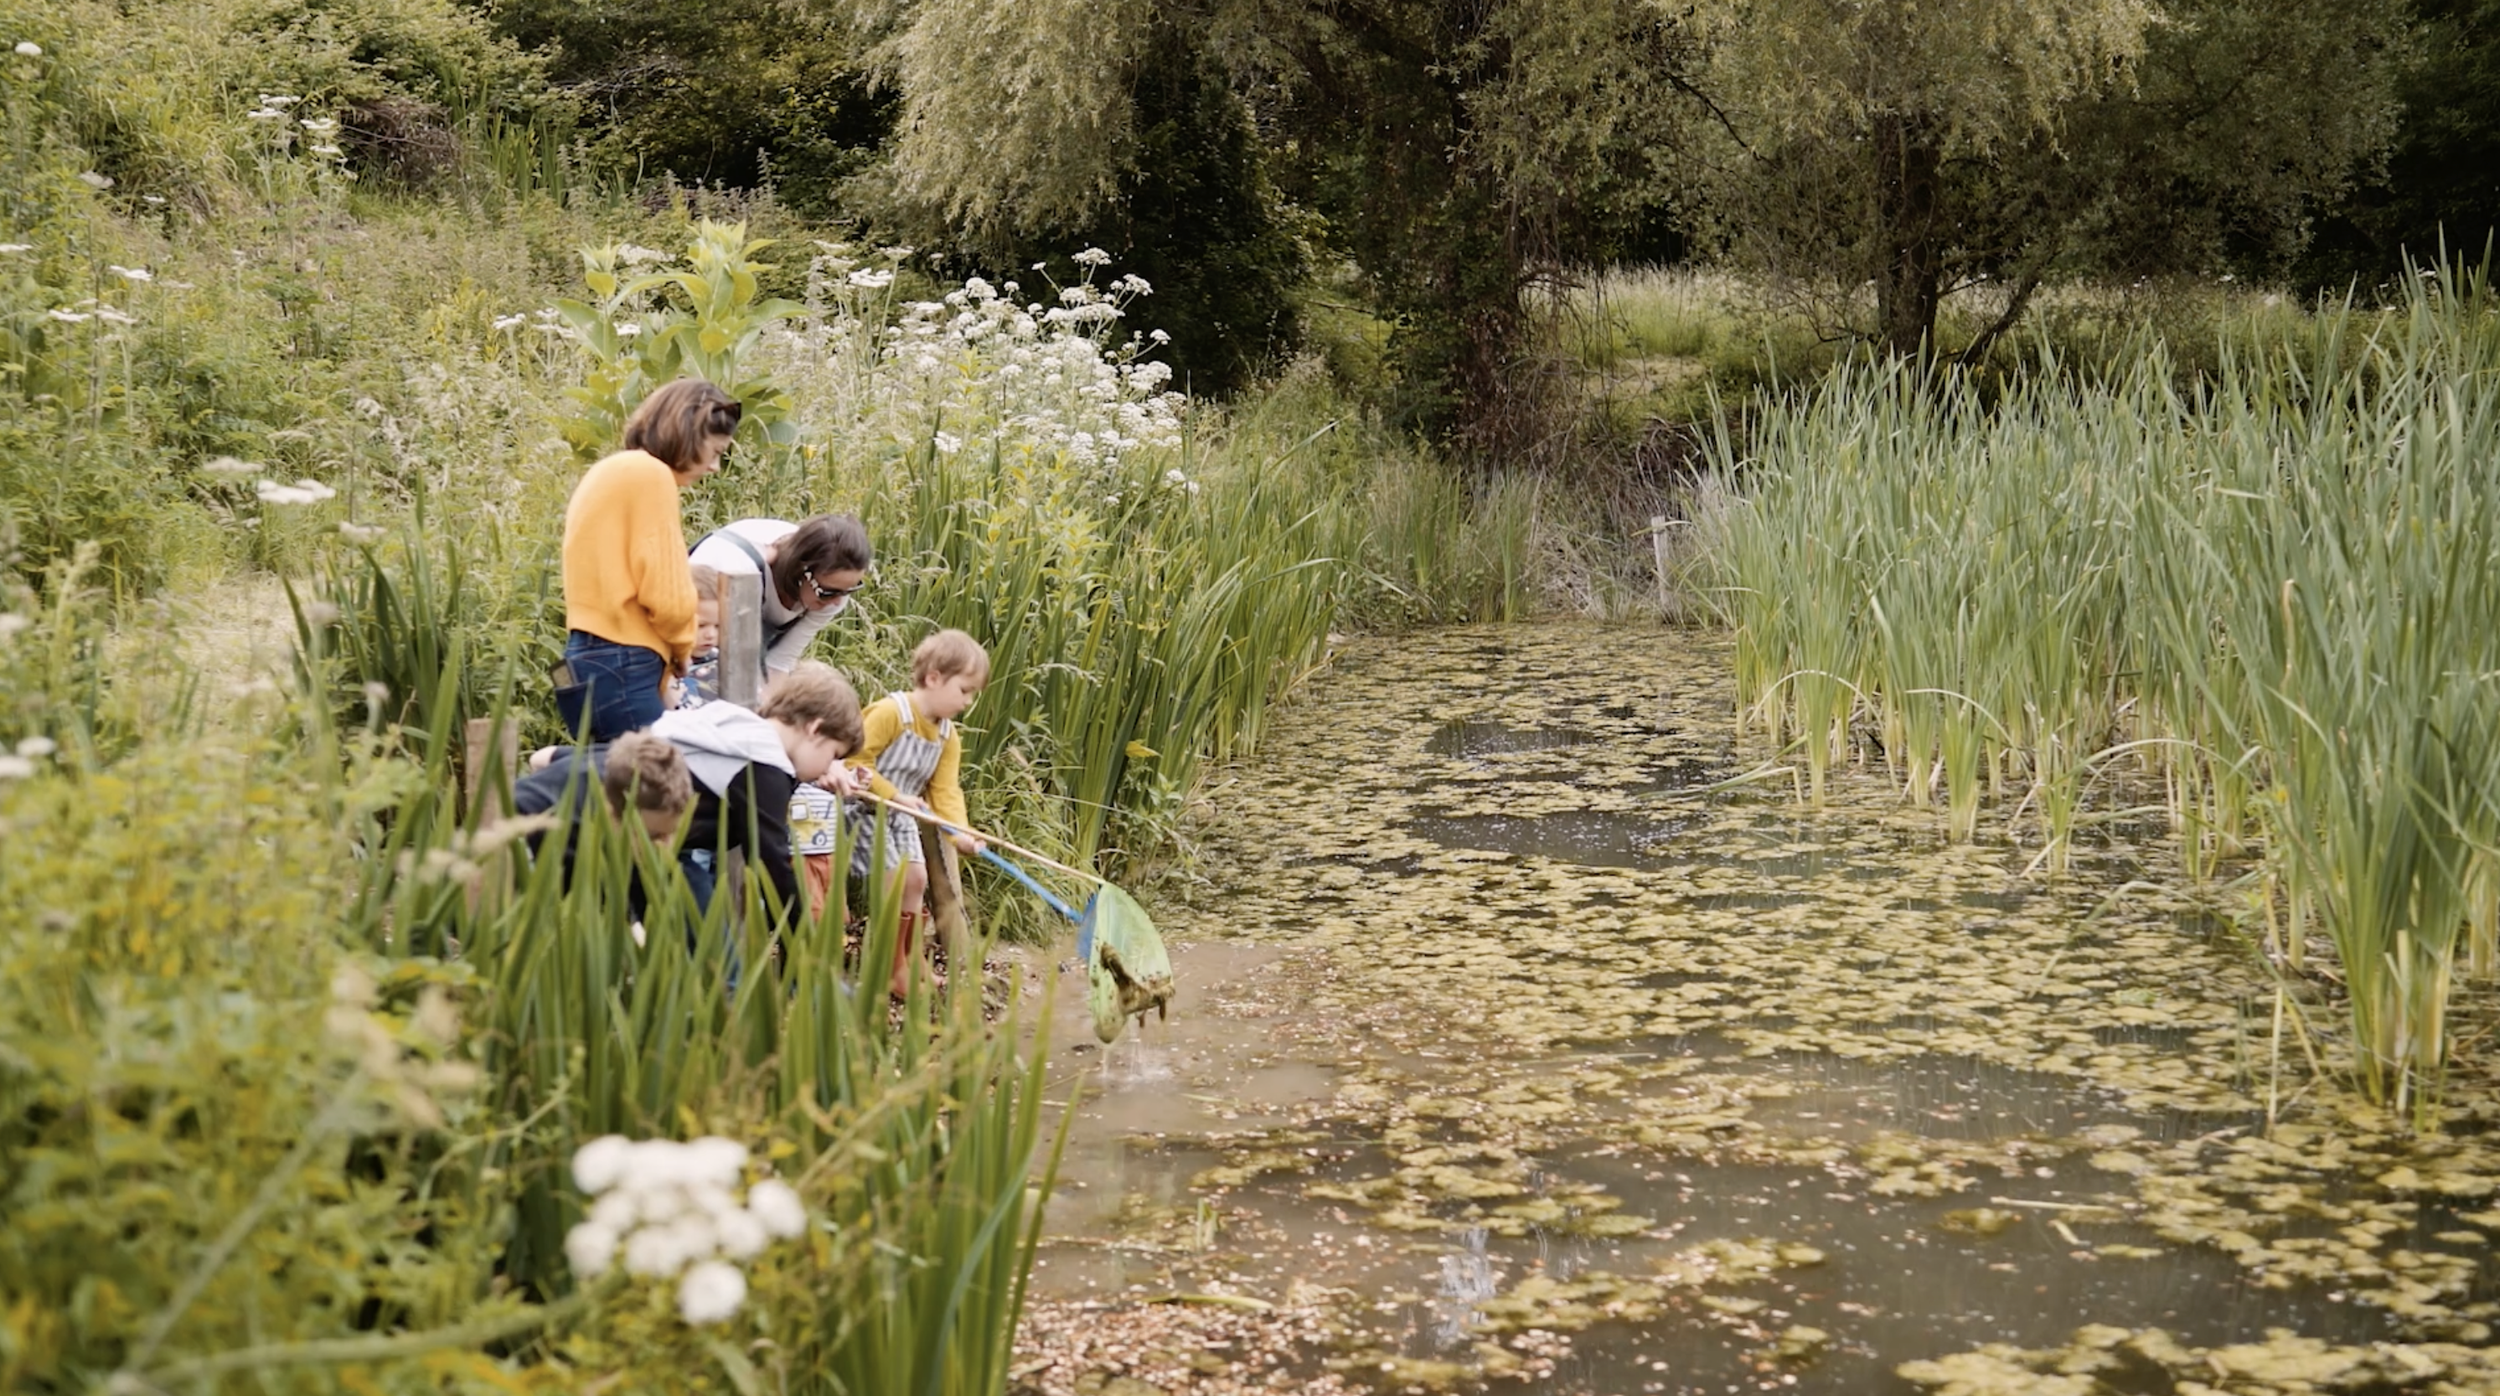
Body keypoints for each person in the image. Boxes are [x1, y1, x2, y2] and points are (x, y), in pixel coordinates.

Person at [558, 379, 738, 741]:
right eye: (716, 451)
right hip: (623, 656)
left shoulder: (614, 471)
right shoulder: (651, 475)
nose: (715, 467)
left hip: (584, 655)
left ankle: (545, 767)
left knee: (604, 770)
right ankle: (540, 774)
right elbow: (666, 589)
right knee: (652, 772)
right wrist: (683, 648)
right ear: (689, 432)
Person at [846, 629, 989, 997]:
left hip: (902, 814)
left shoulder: (947, 736)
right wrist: (893, 795)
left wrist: (960, 834)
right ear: (934, 678)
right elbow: (853, 760)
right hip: (863, 808)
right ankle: (890, 969)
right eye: (964, 690)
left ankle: (911, 958)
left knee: (916, 880)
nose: (967, 701)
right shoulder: (891, 713)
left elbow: (945, 792)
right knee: (893, 882)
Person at [509, 730, 696, 927]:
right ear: (610, 813)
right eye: (654, 836)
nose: (668, 846)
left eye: (675, 831)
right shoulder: (573, 842)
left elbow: (540, 758)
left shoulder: (619, 764)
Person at [686, 515, 871, 690]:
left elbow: (780, 662)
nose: (837, 602)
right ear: (801, 571)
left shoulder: (835, 584)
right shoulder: (733, 567)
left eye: (849, 591)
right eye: (829, 592)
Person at [669, 563, 725, 710]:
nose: (711, 635)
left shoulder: (725, 663)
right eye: (700, 626)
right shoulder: (659, 666)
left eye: (718, 626)